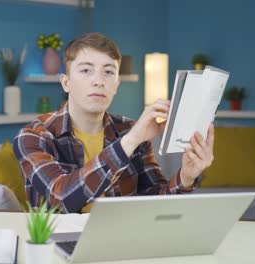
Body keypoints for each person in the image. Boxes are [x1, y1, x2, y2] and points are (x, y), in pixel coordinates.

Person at [13, 32, 214, 213]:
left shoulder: (130, 129)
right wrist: (130, 141)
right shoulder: (33, 136)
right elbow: (62, 198)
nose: (98, 81)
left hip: (122, 242)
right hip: (57, 244)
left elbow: (154, 204)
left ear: (116, 85)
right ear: (66, 83)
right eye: (85, 70)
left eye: (108, 72)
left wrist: (186, 177)